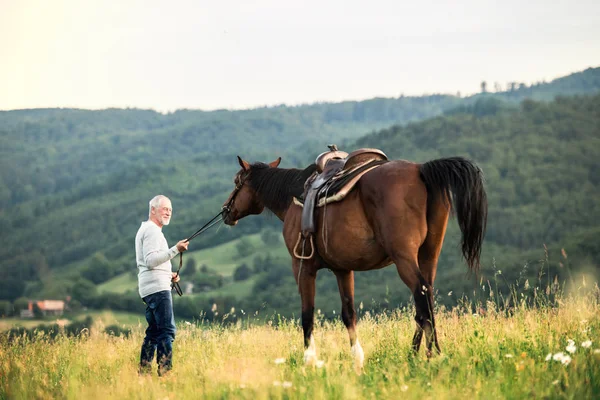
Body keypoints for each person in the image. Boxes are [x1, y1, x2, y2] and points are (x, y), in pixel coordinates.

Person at [135, 195, 189, 376]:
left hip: (150, 287)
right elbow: (150, 261)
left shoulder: (148, 230)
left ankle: (144, 373)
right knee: (167, 331)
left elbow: (151, 262)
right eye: (165, 209)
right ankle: (165, 374)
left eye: (170, 210)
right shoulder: (152, 231)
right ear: (153, 210)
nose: (168, 212)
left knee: (154, 332)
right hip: (157, 290)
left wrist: (169, 274)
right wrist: (176, 250)